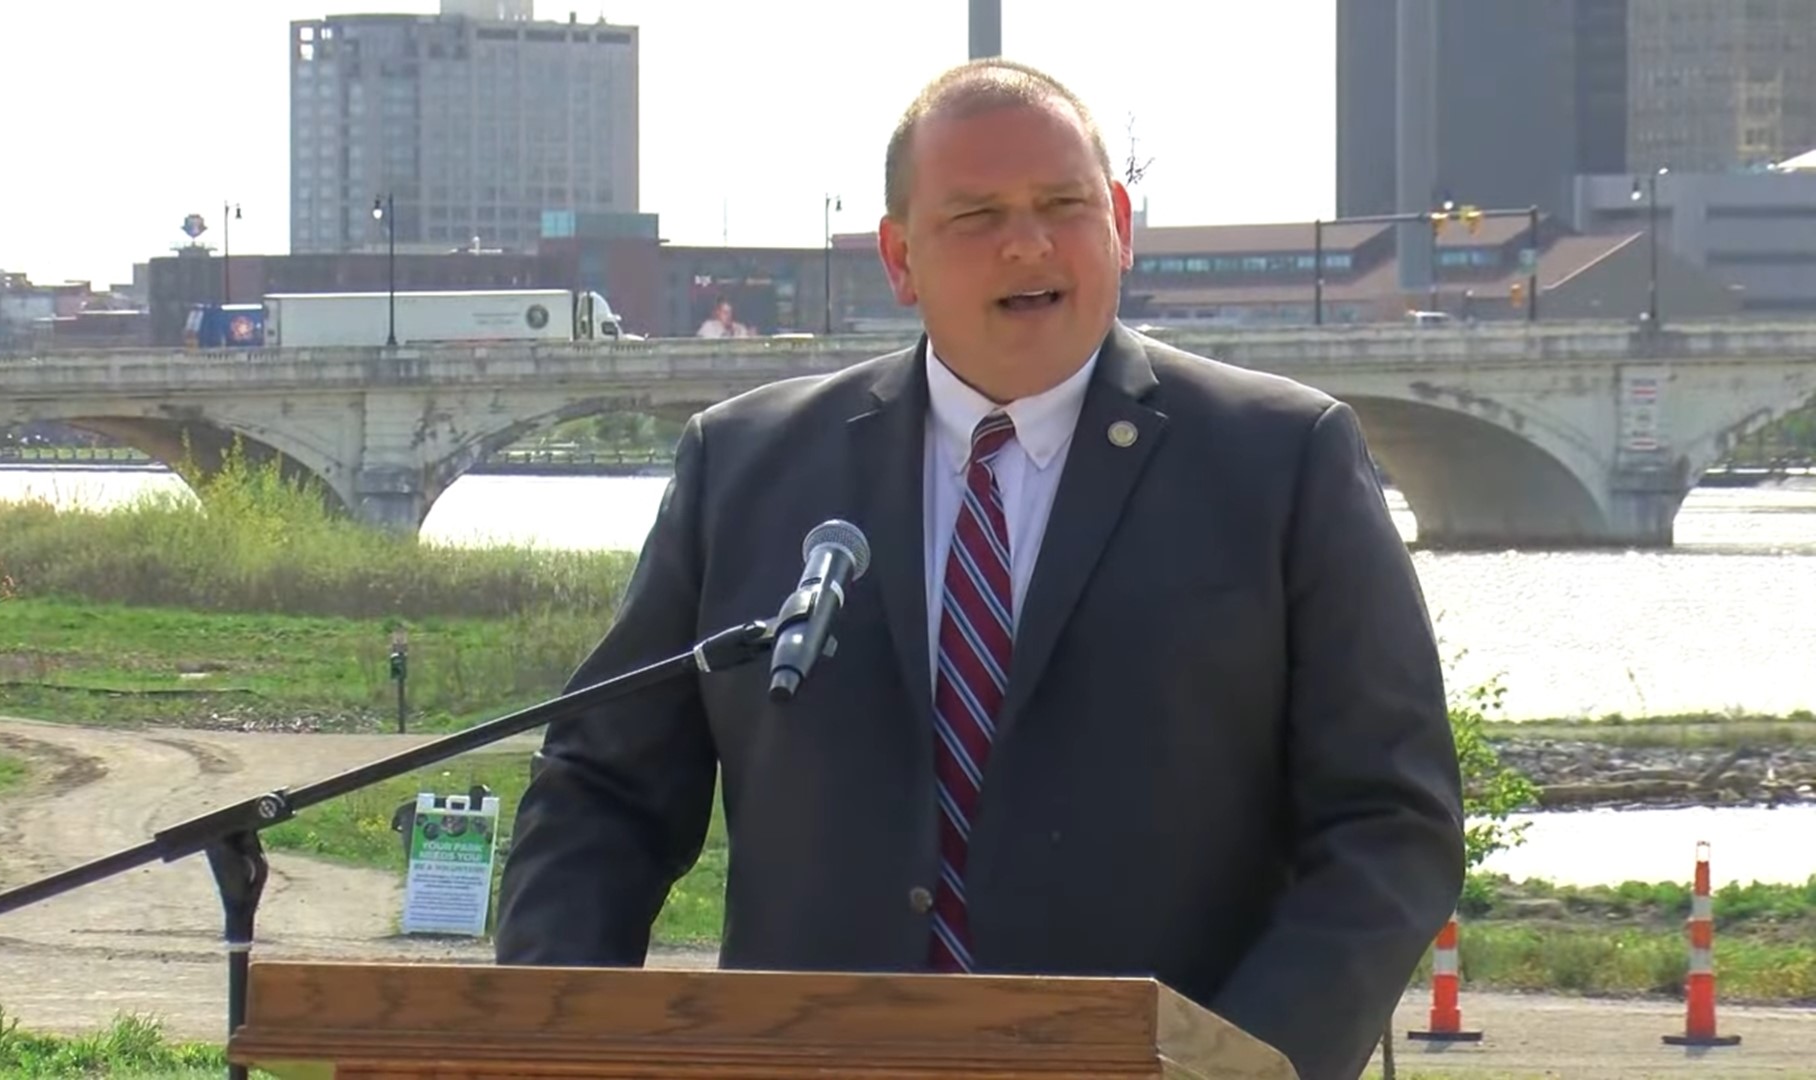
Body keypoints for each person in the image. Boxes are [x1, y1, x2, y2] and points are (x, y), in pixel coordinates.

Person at [496, 58, 1465, 1080]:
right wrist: (559, 1043)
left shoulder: (1280, 461)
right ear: (899, 257)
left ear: (1120, 225)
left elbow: (1390, 823)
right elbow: (603, 792)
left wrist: (1242, 1064)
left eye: (1064, 206)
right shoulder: (747, 468)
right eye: (977, 215)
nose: (1029, 243)